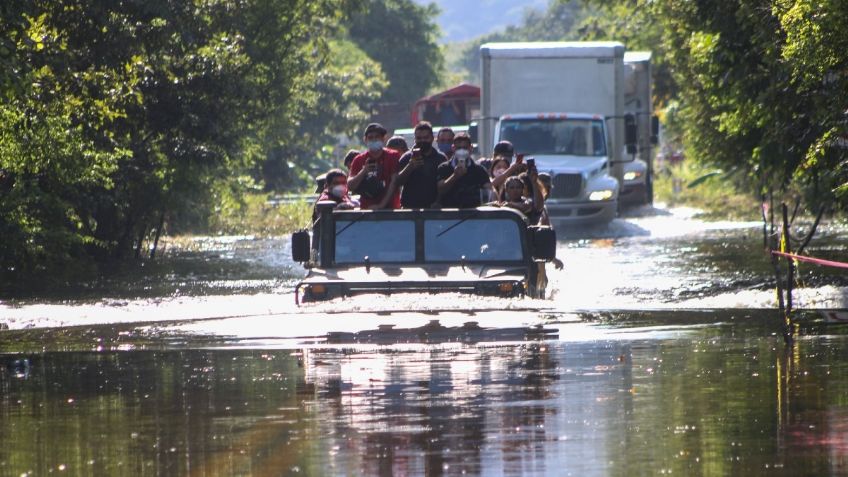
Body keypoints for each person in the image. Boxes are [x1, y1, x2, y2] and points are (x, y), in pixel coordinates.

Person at [388, 121, 447, 209]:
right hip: (410, 209)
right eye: (419, 138)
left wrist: (438, 202)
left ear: (432, 138)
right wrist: (410, 167)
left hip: (434, 210)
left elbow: (445, 186)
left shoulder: (441, 158)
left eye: (426, 138)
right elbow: (397, 182)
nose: (422, 141)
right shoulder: (407, 157)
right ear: (415, 139)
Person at [347, 123, 401, 209]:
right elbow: (350, 186)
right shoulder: (359, 159)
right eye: (370, 137)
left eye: (377, 137)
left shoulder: (393, 156)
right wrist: (364, 171)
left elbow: (394, 183)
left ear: (383, 138)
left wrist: (381, 206)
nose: (374, 140)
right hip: (367, 210)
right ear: (365, 139)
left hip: (391, 209)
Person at [436, 132, 492, 208]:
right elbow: (440, 190)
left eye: (465, 148)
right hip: (449, 215)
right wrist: (454, 176)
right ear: (453, 148)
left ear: (471, 148)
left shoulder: (479, 170)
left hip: (473, 214)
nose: (462, 151)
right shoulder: (444, 168)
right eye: (459, 148)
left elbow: (489, 192)